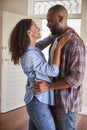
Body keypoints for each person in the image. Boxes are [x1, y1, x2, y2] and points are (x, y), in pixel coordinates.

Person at [9, 18, 71, 130]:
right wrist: (59, 48)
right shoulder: (29, 55)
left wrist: (65, 30)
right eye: (36, 26)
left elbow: (48, 39)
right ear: (29, 33)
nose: (39, 28)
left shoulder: (34, 48)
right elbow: (54, 71)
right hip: (37, 102)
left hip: (38, 100)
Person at [33, 4, 86, 130]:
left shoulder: (75, 42)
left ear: (60, 18)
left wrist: (49, 87)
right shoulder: (57, 38)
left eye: (49, 20)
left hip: (66, 104)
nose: (47, 24)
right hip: (54, 100)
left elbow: (77, 77)